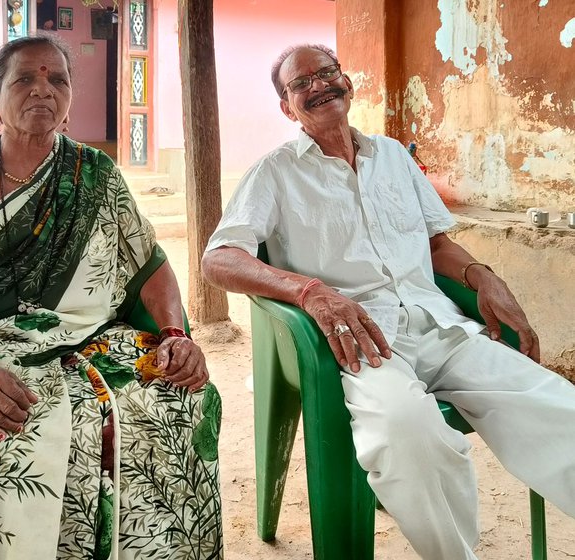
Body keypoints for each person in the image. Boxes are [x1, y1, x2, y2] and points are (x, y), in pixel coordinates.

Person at [202, 43, 575, 559]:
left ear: (347, 81)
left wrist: (482, 275)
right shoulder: (275, 172)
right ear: (287, 108)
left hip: (441, 327)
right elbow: (219, 259)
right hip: (363, 343)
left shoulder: (394, 156)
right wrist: (309, 291)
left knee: (557, 407)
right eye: (301, 84)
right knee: (407, 432)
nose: (319, 85)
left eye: (327, 73)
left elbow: (437, 244)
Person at [0, 34, 223, 560]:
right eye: (24, 78)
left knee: (181, 400)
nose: (42, 89)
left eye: (57, 79)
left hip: (92, 340)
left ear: (70, 101)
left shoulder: (96, 174)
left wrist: (175, 334)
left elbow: (150, 264)